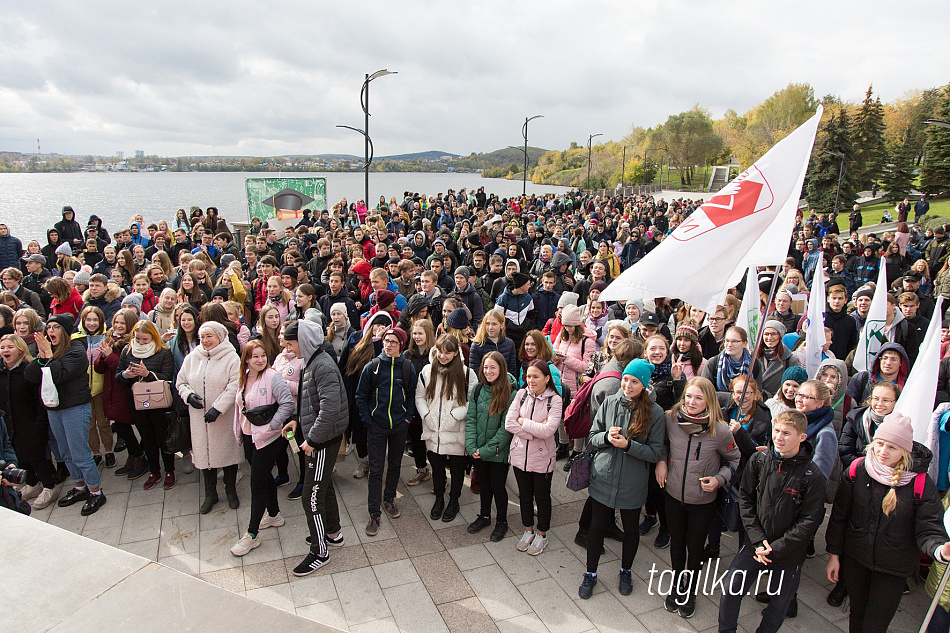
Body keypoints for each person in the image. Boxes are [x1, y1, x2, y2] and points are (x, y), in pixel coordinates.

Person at [827, 413, 950, 633]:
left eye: (892, 448)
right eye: (880, 444)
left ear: (904, 451)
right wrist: (834, 555)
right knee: (857, 616)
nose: (883, 452)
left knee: (875, 626)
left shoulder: (920, 483)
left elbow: (929, 527)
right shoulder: (858, 469)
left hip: (893, 568)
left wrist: (940, 549)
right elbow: (839, 516)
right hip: (856, 559)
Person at [717, 410, 827, 633]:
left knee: (778, 605)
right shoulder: (760, 460)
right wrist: (758, 541)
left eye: (787, 433)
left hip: (788, 553)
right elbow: (746, 499)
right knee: (731, 590)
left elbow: (810, 520)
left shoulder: (811, 475)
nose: (778, 437)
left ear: (802, 437)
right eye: (776, 431)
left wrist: (775, 548)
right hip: (754, 545)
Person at [578, 358, 665, 599]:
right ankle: (590, 573)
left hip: (632, 482)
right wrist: (606, 437)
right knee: (596, 527)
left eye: (634, 381)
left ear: (644, 385)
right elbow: (592, 437)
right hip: (604, 476)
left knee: (630, 530)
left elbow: (656, 452)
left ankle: (625, 570)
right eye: (625, 379)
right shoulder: (610, 401)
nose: (627, 385)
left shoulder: (655, 413)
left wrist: (628, 446)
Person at [656, 376, 739, 619]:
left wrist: (719, 479)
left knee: (694, 547)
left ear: (709, 401)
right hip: (673, 496)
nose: (691, 402)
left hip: (702, 501)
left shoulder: (720, 431)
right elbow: (662, 444)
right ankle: (676, 584)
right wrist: (662, 461)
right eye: (689, 396)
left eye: (698, 398)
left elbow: (734, 460)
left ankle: (689, 590)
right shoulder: (671, 419)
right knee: (677, 544)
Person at [283, 319, 349, 575]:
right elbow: (310, 402)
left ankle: (320, 552)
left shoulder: (321, 366)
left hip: (321, 441)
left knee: (311, 498)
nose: (289, 349)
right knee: (324, 486)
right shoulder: (312, 361)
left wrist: (311, 440)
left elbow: (329, 409)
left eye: (291, 344)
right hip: (319, 437)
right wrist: (296, 422)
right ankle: (333, 533)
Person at [24, 314, 107, 515]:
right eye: (49, 327)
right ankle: (80, 487)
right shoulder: (47, 350)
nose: (51, 331)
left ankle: (96, 492)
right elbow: (30, 375)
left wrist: (47, 357)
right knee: (65, 452)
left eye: (55, 327)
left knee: (79, 452)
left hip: (74, 408)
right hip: (55, 409)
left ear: (65, 331)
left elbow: (59, 375)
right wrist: (43, 356)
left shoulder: (77, 351)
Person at [229, 340, 296, 557]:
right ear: (246, 359)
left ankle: (251, 535)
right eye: (255, 356)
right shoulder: (244, 377)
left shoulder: (273, 376)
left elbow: (288, 403)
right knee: (264, 475)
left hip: (268, 438)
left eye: (263, 356)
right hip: (249, 435)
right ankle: (274, 515)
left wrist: (273, 426)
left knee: (256, 484)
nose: (260, 360)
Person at [355, 326, 417, 536]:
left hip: (399, 425)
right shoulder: (372, 367)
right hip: (377, 426)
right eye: (386, 341)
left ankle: (389, 499)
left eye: (393, 342)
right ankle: (374, 512)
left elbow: (411, 395)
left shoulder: (408, 368)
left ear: (401, 345)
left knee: (395, 464)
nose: (388, 345)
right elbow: (360, 396)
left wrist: (407, 418)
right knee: (376, 468)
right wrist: (369, 420)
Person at [176, 320, 241, 514]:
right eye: (202, 337)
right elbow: (181, 382)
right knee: (205, 456)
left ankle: (231, 490)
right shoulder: (192, 357)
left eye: (209, 336)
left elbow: (235, 385)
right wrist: (189, 396)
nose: (205, 340)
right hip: (199, 418)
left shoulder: (231, 357)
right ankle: (210, 493)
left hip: (224, 416)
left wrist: (218, 408)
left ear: (219, 337)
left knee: (227, 454)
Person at [416, 334, 478, 522]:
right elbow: (419, 396)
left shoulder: (467, 373)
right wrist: (426, 415)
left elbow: (472, 401)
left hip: (457, 429)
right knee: (437, 467)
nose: (442, 357)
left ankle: (454, 500)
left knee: (457, 469)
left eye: (447, 353)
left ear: (455, 354)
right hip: (433, 428)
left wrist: (455, 415)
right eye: (440, 352)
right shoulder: (427, 371)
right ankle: (439, 499)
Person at [506, 359, 562, 556]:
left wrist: (523, 422)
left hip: (542, 458)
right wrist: (532, 431)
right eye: (528, 376)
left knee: (542, 496)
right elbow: (509, 423)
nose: (531, 380)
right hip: (520, 455)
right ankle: (528, 529)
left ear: (547, 378)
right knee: (525, 495)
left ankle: (541, 534)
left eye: (535, 376)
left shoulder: (554, 400)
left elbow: (548, 431)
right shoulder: (521, 394)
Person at [0, 334, 59, 510]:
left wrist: (39, 424)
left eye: (9, 347)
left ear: (20, 349)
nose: (5, 351)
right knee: (20, 457)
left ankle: (49, 487)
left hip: (31, 424)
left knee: (37, 457)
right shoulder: (1, 372)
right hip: (10, 425)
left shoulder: (29, 370)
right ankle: (32, 484)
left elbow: (39, 399)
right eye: (2, 347)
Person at [116, 320, 176, 490]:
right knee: (147, 438)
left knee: (163, 438)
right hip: (137, 402)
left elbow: (167, 376)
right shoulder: (127, 350)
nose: (141, 342)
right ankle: (154, 471)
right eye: (138, 339)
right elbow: (117, 376)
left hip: (159, 403)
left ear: (153, 337)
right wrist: (126, 375)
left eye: (145, 339)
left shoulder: (163, 351)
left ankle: (170, 471)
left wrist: (148, 374)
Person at [465, 350, 517, 541]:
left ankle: (502, 521)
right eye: (485, 367)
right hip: (479, 450)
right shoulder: (478, 390)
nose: (488, 371)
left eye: (492, 367)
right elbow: (471, 418)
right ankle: (484, 515)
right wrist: (472, 447)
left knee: (498, 487)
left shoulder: (511, 393)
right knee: (484, 485)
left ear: (501, 368)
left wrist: (486, 450)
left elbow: (506, 428)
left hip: (497, 453)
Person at [700, 326, 763, 392]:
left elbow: (757, 392)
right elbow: (705, 392)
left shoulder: (754, 363)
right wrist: (731, 397)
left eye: (734, 341)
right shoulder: (713, 363)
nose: (729, 345)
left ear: (745, 343)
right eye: (727, 341)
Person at [756, 320, 803, 399]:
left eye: (774, 334)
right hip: (756, 401)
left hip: (777, 401)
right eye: (766, 334)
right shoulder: (754, 356)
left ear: (780, 336)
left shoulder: (790, 359)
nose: (769, 338)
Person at [468, 308, 517, 377]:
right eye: (487, 324)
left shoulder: (509, 344)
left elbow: (512, 371)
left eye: (494, 324)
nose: (490, 327)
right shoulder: (477, 345)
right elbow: (474, 372)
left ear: (502, 325)